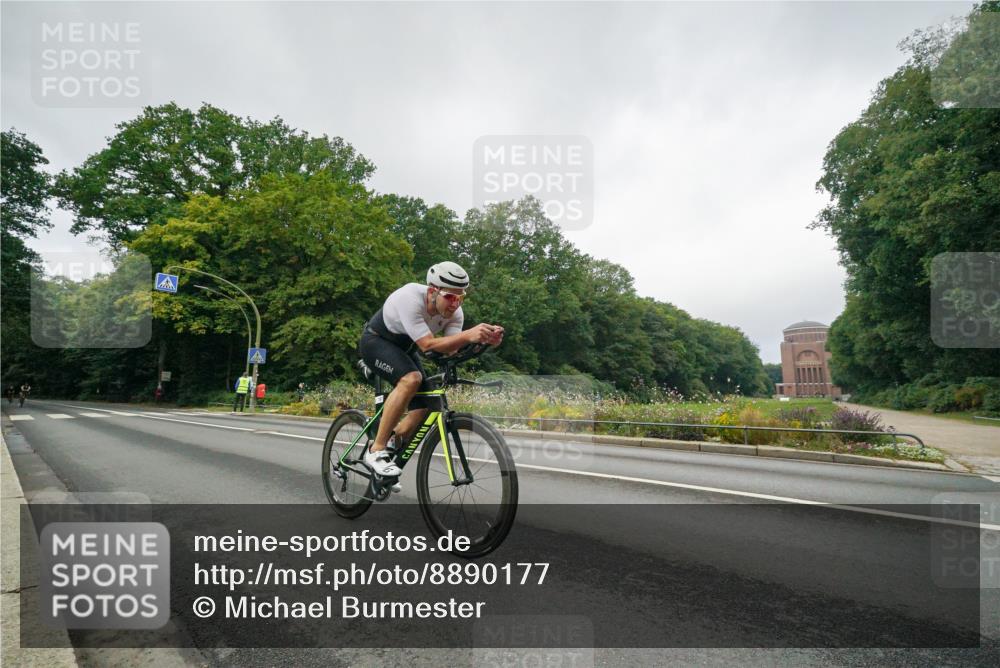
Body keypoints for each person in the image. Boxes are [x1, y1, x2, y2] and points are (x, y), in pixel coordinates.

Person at [358, 261, 503, 479]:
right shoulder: (410, 299)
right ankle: (376, 450)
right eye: (450, 297)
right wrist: (468, 334)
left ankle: (390, 444)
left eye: (460, 297)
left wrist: (483, 341)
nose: (455, 304)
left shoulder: (455, 313)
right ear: (433, 291)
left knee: (427, 403)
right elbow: (427, 345)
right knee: (411, 379)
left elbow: (448, 350)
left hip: (406, 348)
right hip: (376, 342)